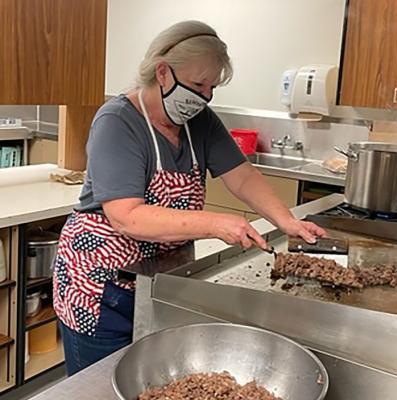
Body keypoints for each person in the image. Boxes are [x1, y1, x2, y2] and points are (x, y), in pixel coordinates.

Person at [52, 20, 325, 376]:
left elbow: (242, 176)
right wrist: (215, 223)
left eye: (212, 87)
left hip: (157, 283)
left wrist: (285, 220)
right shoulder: (117, 122)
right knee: (100, 386)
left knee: (149, 382)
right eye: (198, 84)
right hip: (101, 289)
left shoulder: (200, 121)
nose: (205, 96)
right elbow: (126, 216)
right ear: (162, 72)